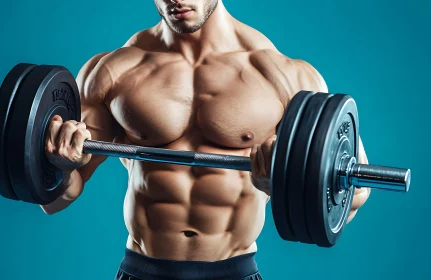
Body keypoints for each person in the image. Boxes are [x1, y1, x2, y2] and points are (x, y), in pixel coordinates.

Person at [42, 1, 371, 279]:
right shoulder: (113, 71)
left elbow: (353, 196)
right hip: (141, 270)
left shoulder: (284, 75)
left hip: (234, 270)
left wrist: (287, 185)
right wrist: (59, 164)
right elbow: (56, 199)